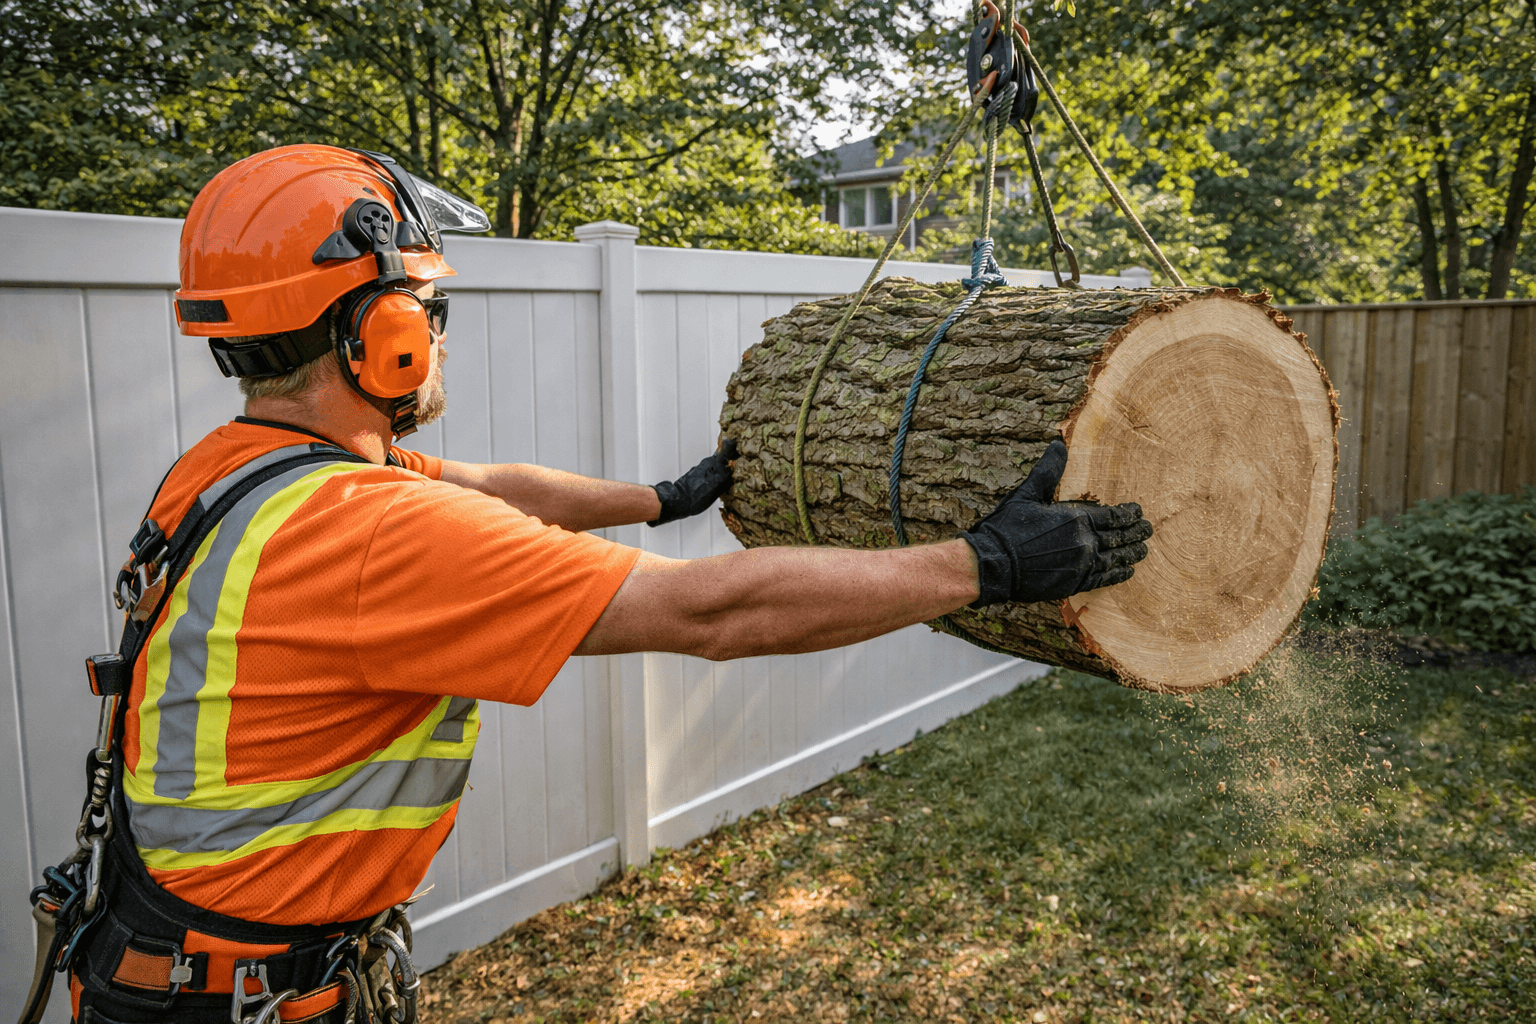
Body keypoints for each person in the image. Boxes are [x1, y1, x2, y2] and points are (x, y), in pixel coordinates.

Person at [24, 144, 1151, 1024]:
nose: (444, 337)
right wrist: (985, 563)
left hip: (179, 958)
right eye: (432, 307)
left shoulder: (245, 471)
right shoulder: (367, 531)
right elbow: (714, 612)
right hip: (240, 994)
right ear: (385, 335)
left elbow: (491, 485)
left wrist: (660, 497)